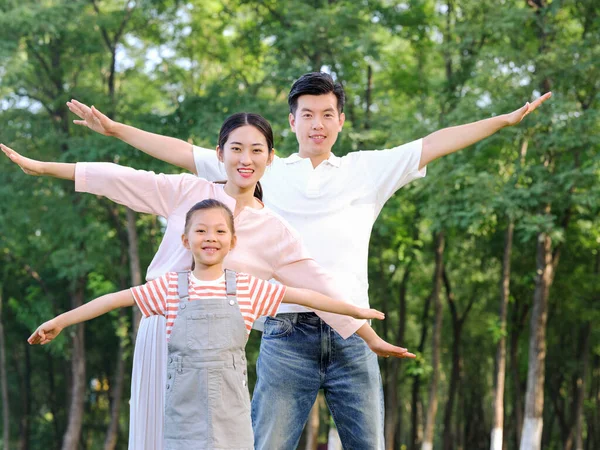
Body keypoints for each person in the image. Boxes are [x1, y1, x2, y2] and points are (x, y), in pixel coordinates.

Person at [64, 73, 552, 449]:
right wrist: (113, 129)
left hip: (351, 335)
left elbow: (438, 141)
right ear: (292, 121)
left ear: (341, 120)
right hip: (285, 334)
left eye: (327, 114)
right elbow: (178, 154)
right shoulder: (262, 166)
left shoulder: (368, 169)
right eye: (307, 114)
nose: (317, 124)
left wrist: (504, 121)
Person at [1, 110, 412, 450]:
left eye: (256, 150)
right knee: (156, 437)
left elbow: (317, 286)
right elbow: (118, 178)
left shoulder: (275, 231)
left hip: (218, 358)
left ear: (271, 157)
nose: (245, 158)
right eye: (235, 148)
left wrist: (367, 336)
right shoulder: (188, 191)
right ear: (220, 154)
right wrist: (41, 167)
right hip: (163, 329)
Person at [28, 199, 386, 449]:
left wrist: (355, 311)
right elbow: (113, 299)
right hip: (183, 414)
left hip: (232, 415)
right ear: (186, 240)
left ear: (233, 241)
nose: (210, 237)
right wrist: (61, 321)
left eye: (219, 231)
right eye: (201, 231)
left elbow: (307, 296)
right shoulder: (169, 288)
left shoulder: (246, 288)